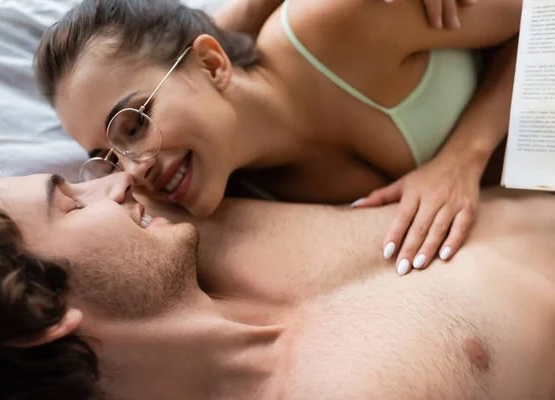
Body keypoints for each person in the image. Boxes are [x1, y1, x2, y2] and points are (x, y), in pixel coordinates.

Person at [0, 157, 555, 400]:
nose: (109, 180)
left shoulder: (181, 226)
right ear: (41, 313)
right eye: (69, 203)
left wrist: (463, 154)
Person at [34, 0, 520, 274]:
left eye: (134, 124)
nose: (134, 169)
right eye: (108, 158)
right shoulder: (233, 202)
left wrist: (463, 158)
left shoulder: (332, 24)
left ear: (211, 63)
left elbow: (543, 14)